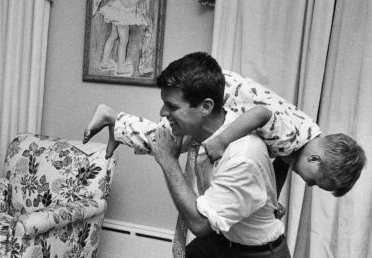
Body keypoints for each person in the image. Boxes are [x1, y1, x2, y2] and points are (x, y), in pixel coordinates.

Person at [109, 52, 290, 258]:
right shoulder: (202, 128)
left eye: (171, 106)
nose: (163, 112)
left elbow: (199, 223)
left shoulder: (243, 155)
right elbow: (150, 134)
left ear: (206, 106)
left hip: (256, 257)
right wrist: (113, 123)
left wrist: (168, 162)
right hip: (216, 244)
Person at [83, 68, 366, 198]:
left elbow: (281, 166)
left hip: (226, 90)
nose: (310, 184)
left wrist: (271, 201)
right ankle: (111, 116)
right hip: (222, 96)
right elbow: (260, 114)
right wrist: (221, 141)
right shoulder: (293, 136)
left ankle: (117, 126)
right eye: (316, 183)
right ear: (316, 161)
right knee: (168, 141)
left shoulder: (302, 140)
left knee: (171, 142)